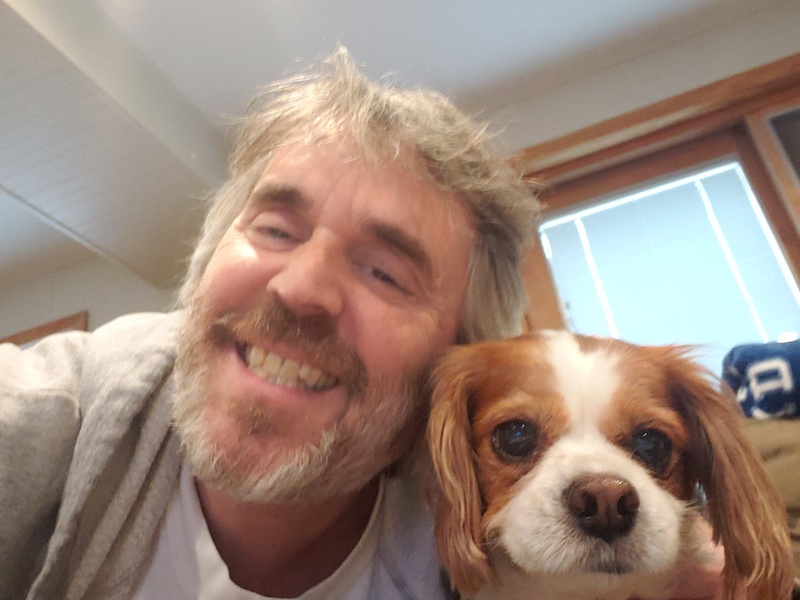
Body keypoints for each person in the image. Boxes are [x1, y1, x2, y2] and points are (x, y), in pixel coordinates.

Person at [0, 47, 723, 599]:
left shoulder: (494, 547)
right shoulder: (51, 414)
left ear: (453, 358)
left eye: (384, 272)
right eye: (275, 229)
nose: (300, 288)